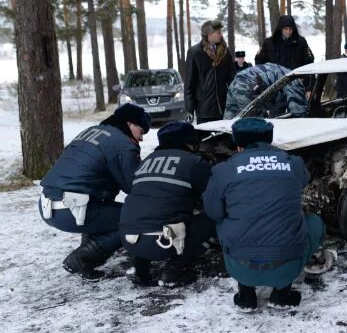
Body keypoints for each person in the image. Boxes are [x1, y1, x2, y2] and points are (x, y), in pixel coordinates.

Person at [203, 118, 325, 311]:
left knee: (223, 220)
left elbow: (212, 211)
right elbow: (303, 180)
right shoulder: (292, 163)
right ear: (269, 140)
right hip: (287, 265)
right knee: (314, 222)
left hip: (240, 265)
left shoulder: (225, 170)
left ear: (238, 145)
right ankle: (282, 294)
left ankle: (246, 293)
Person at [39, 104, 151, 280]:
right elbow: (135, 185)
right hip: (73, 209)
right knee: (135, 218)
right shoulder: (123, 143)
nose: (142, 138)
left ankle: (87, 264)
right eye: (141, 131)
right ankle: (82, 259)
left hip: (48, 203)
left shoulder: (90, 132)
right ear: (130, 124)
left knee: (101, 209)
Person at [119, 121, 216, 287]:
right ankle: (172, 270)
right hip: (163, 242)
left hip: (128, 240)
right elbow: (213, 197)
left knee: (147, 213)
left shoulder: (146, 161)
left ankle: (140, 269)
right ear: (188, 142)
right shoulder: (193, 161)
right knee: (212, 217)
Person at [185, 20, 237, 124]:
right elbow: (189, 84)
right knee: (206, 139)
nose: (221, 35)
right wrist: (189, 109)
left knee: (224, 139)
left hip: (224, 109)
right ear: (209, 34)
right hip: (204, 110)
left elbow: (233, 80)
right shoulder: (194, 53)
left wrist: (235, 102)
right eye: (218, 32)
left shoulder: (225, 53)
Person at [223, 63, 307, 119]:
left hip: (237, 80)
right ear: (302, 79)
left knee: (229, 118)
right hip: (250, 85)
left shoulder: (284, 72)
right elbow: (298, 113)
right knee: (255, 124)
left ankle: (224, 142)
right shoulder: (295, 80)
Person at [255, 15, 314, 90]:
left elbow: (309, 63)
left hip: (296, 85)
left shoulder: (301, 43)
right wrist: (266, 79)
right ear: (280, 29)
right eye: (286, 29)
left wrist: (307, 85)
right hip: (274, 86)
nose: (288, 32)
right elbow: (259, 61)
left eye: (290, 29)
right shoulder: (269, 43)